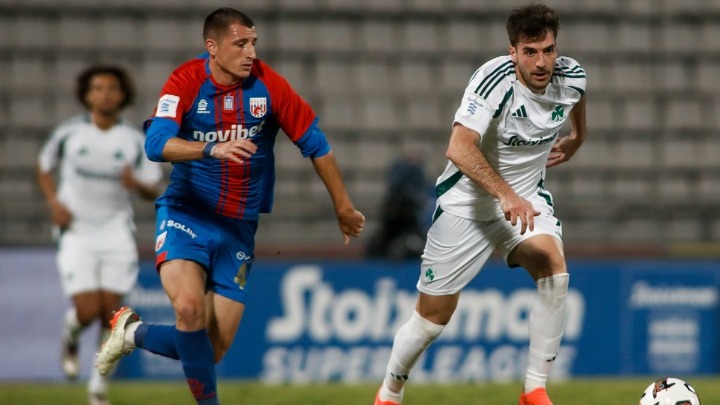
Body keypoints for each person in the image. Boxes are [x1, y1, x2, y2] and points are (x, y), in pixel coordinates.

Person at [95, 7, 365, 405]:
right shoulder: (185, 81)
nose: (251, 52)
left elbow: (317, 146)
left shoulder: (269, 85)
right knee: (189, 309)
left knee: (211, 349)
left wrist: (343, 207)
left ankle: (133, 333)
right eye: (240, 44)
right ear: (213, 46)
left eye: (253, 43)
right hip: (186, 213)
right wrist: (211, 148)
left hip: (238, 226)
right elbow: (155, 144)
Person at [373, 4, 586, 405]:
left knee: (554, 267)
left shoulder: (571, 76)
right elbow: (458, 147)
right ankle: (389, 392)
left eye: (548, 50)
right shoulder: (493, 81)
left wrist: (578, 136)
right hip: (466, 206)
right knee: (431, 321)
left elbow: (577, 98)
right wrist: (504, 194)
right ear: (513, 52)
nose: (542, 63)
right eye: (530, 52)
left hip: (526, 202)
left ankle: (534, 390)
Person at [37, 65, 163, 405]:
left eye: (112, 88)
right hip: (76, 231)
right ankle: (71, 332)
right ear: (87, 95)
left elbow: (153, 187)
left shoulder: (134, 140)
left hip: (116, 231)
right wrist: (54, 203)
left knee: (112, 312)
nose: (105, 94)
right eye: (98, 88)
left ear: (123, 95)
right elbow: (44, 166)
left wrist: (136, 184)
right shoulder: (69, 134)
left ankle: (97, 388)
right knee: (87, 310)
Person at [366, 150, 428, 260]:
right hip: (395, 217)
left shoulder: (415, 180)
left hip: (406, 217)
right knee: (384, 240)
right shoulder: (400, 176)